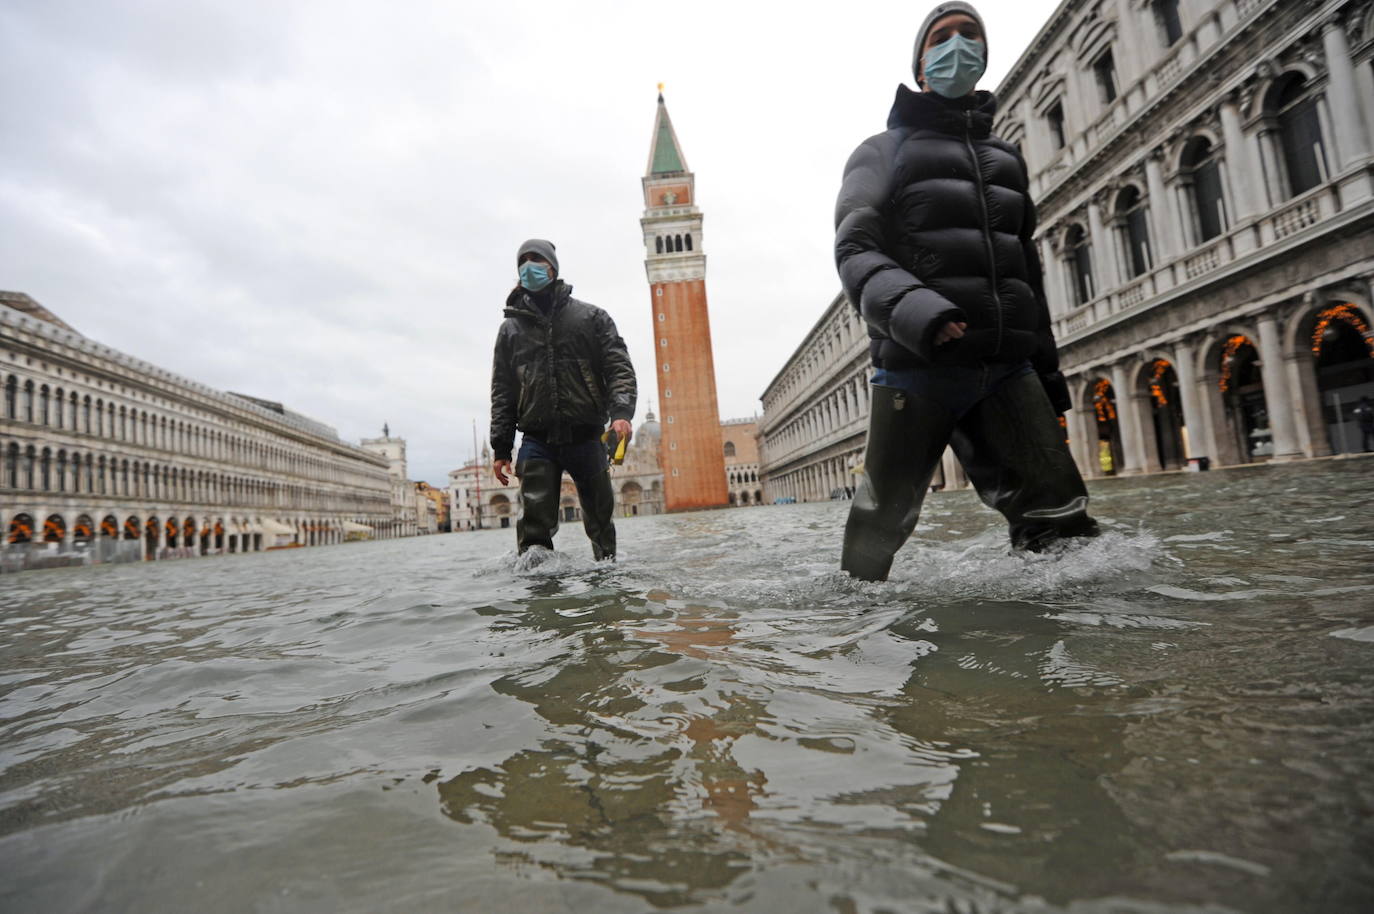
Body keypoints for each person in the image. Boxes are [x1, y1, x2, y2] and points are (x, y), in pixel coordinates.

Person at [834, 1, 1099, 582]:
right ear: (922, 63)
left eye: (970, 35)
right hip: (915, 366)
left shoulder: (1007, 160)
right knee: (878, 532)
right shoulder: (881, 151)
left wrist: (1048, 383)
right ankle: (857, 646)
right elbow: (855, 248)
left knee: (1064, 525)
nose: (959, 45)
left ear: (983, 56)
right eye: (943, 36)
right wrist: (922, 313)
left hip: (1008, 369)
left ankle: (1068, 647)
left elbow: (1028, 273)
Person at [490, 239, 637, 560]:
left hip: (586, 434)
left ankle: (608, 581)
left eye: (536, 259)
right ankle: (539, 590)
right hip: (537, 438)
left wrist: (622, 412)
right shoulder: (510, 330)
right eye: (523, 261)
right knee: (533, 524)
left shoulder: (592, 318)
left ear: (553, 267)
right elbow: (503, 391)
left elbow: (618, 368)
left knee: (600, 520)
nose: (529, 266)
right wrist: (501, 447)